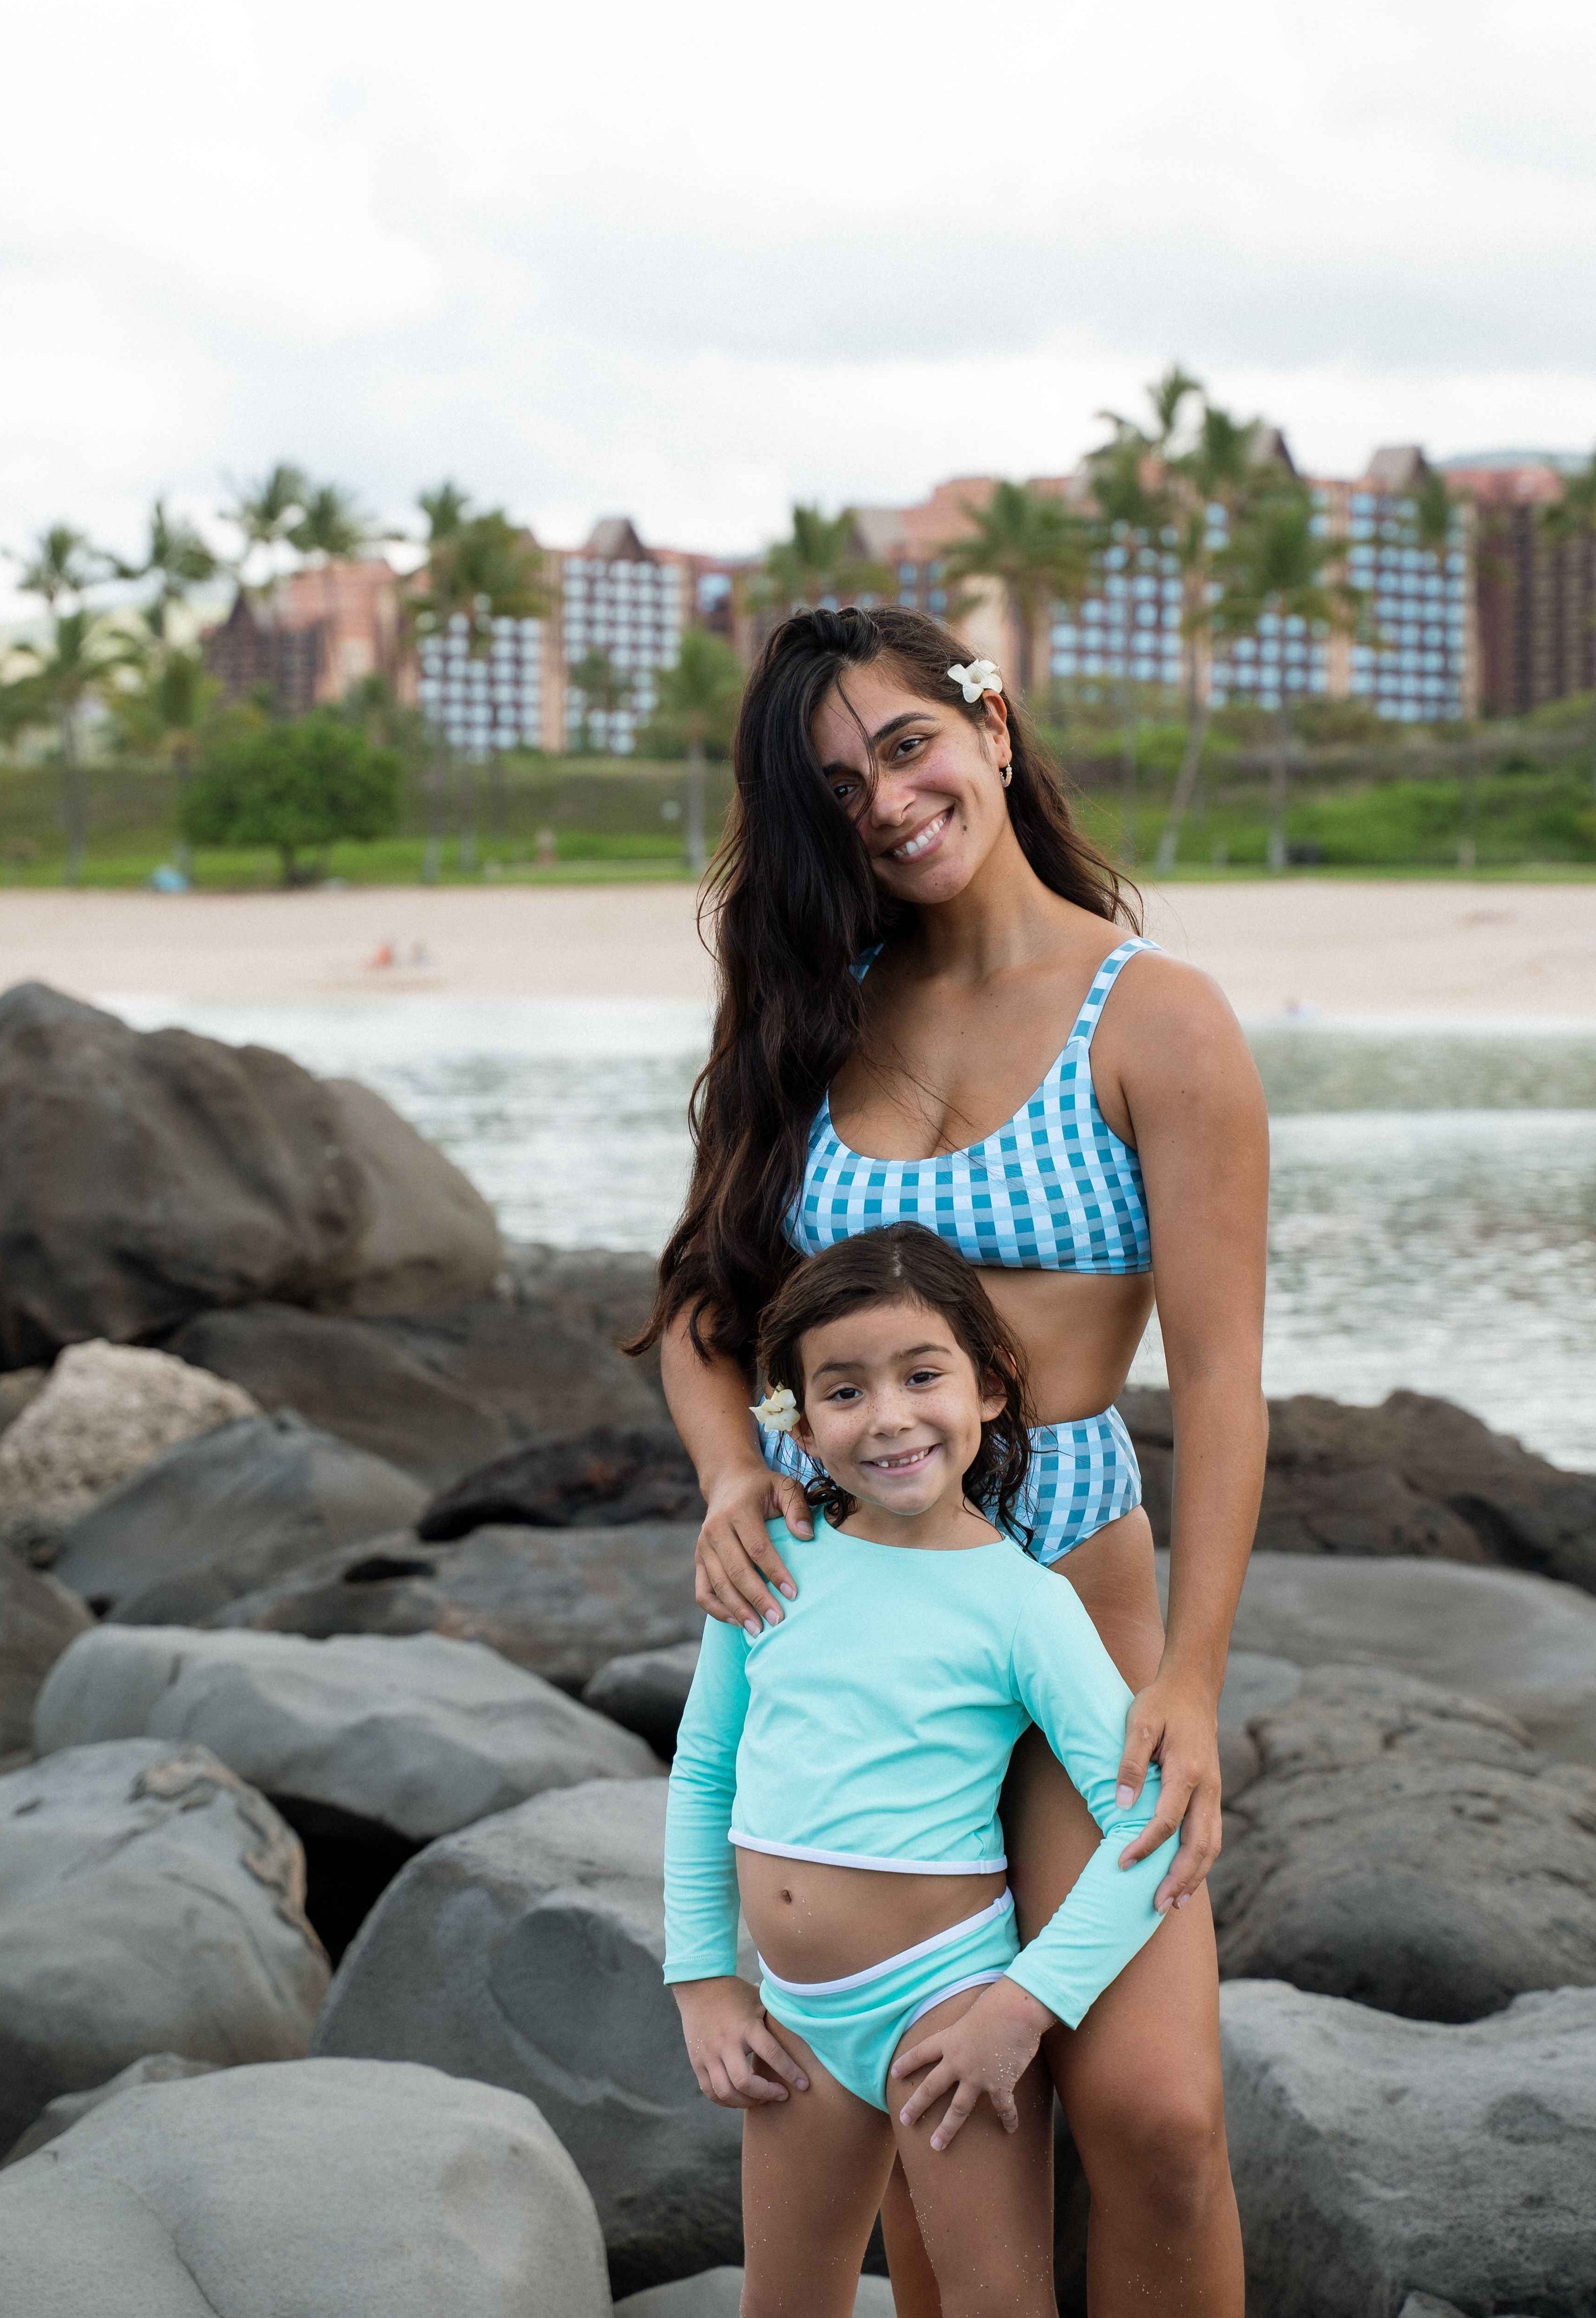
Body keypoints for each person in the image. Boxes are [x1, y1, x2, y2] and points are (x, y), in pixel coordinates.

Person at [637, 604, 1268, 2317]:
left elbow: (1221, 1386)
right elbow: (700, 1304)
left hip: (1070, 1591)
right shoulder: (808, 1016)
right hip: (857, 1610)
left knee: (1154, 2113)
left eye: (908, 747)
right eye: (838, 792)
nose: (890, 805)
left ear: (991, 726)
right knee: (943, 2118)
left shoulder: (1156, 1019)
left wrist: (1193, 1680)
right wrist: (732, 1478)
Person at [666, 1226, 1173, 2318]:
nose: (889, 1417)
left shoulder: (1024, 1603)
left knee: (995, 2306)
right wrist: (702, 1980)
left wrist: (1025, 2008)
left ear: (991, 1387)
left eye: (922, 1376)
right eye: (845, 1390)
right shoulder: (772, 1561)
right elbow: (705, 1770)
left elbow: (1147, 1826)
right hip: (795, 2019)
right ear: (798, 1421)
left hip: (947, 2014)